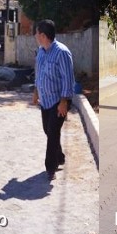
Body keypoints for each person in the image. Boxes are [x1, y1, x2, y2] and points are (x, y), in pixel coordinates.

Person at [31, 19, 75, 181]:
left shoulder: (62, 52)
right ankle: (60, 156)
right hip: (45, 100)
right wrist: (36, 91)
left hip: (59, 100)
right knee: (48, 130)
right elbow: (39, 73)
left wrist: (64, 102)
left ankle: (51, 167)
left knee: (53, 132)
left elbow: (68, 79)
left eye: (37, 33)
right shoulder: (41, 51)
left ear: (43, 35)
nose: (35, 36)